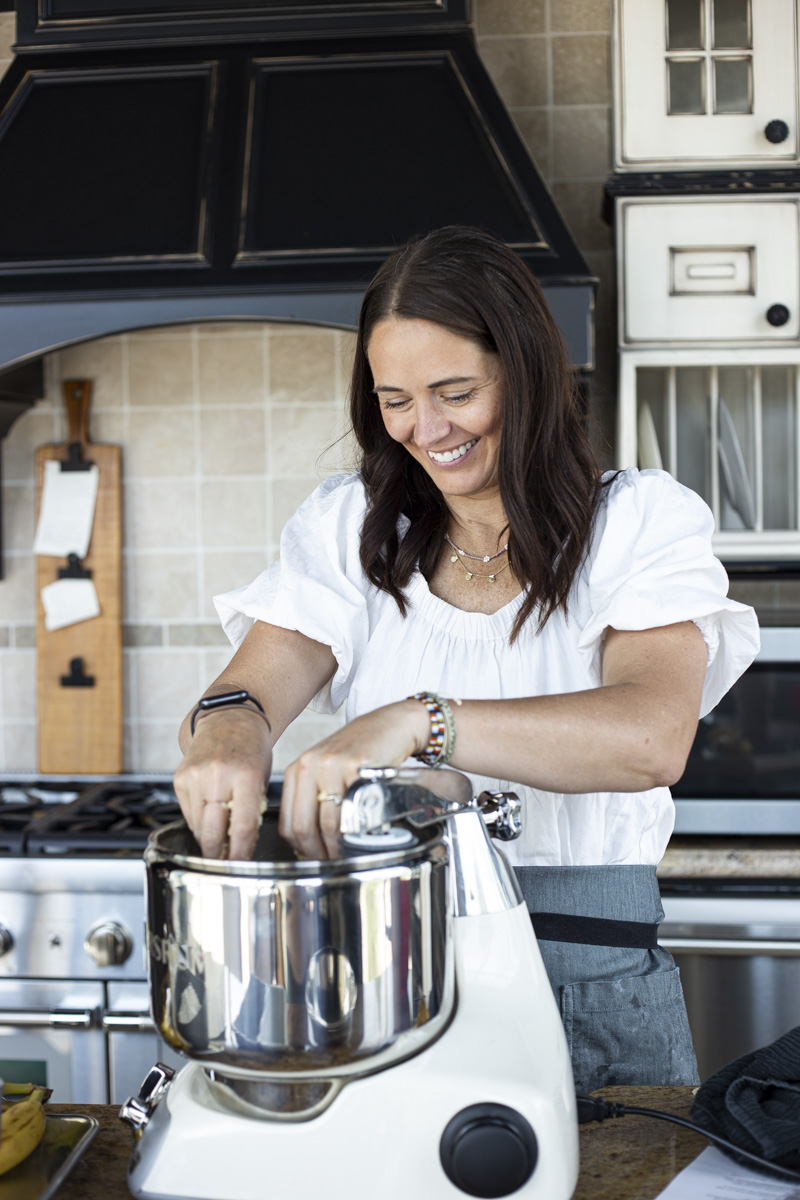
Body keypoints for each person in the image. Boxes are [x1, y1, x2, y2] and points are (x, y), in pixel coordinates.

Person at [173, 225, 760, 1092]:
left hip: (589, 997)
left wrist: (418, 721)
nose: (426, 428)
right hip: (385, 992)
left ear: (522, 375)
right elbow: (249, 691)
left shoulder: (638, 525)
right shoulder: (354, 533)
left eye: (455, 391)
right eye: (396, 398)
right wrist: (227, 733)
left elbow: (649, 737)